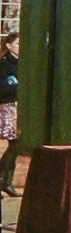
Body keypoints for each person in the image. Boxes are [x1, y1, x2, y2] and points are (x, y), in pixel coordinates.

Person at [0, 32, 21, 196]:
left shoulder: (23, 63)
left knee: (16, 145)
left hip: (18, 107)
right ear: (9, 45)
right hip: (8, 107)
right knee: (14, 144)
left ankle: (6, 182)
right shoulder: (4, 64)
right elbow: (5, 88)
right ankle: (3, 181)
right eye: (18, 44)